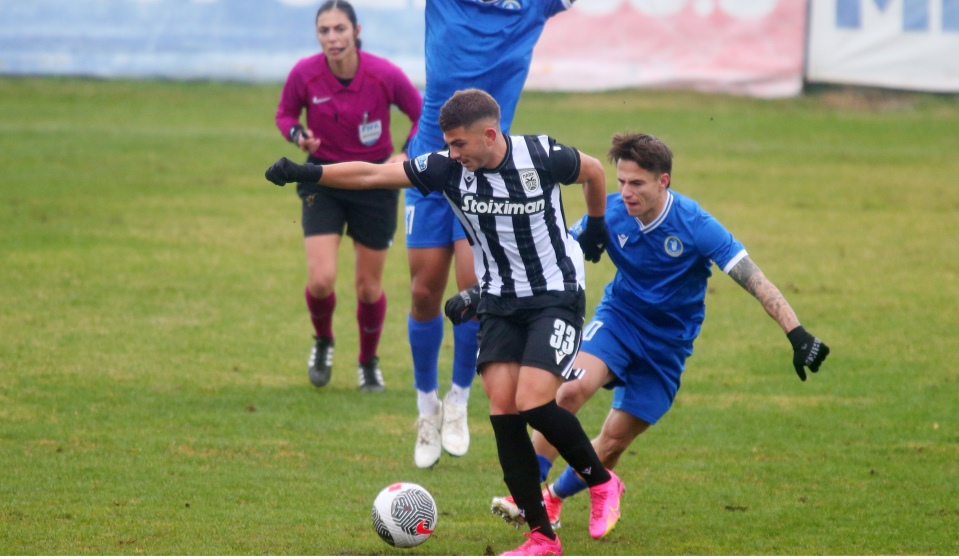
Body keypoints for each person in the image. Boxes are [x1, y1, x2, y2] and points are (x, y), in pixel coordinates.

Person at [265, 88, 625, 556]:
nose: (452, 154)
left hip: (555, 295)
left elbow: (594, 171)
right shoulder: (448, 168)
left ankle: (602, 482)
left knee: (533, 402)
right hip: (498, 300)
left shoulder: (541, 155)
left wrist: (595, 225)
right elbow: (375, 174)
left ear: (489, 135)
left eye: (459, 144)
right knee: (503, 413)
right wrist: (309, 172)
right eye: (448, 144)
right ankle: (541, 537)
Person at [481, 132, 832, 532]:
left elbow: (753, 279)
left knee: (614, 441)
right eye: (620, 181)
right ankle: (526, 489)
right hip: (619, 319)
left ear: (663, 181)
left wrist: (796, 333)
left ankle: (555, 497)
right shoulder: (609, 212)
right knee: (570, 391)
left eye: (637, 183)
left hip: (668, 345)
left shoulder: (696, 225)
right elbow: (553, 255)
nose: (625, 192)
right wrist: (486, 292)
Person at [403, 0, 580, 470]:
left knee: (474, 291)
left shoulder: (532, 5)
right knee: (423, 290)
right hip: (431, 163)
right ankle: (427, 407)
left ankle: (459, 400)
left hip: (484, 171)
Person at [273, 0, 422, 392]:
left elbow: (423, 113)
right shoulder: (304, 73)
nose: (332, 38)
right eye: (324, 30)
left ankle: (368, 362)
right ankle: (323, 341)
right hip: (322, 180)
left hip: (374, 182)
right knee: (321, 280)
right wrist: (297, 135)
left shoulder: (383, 74)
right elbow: (285, 115)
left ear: (356, 31)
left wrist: (405, 152)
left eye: (340, 29)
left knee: (368, 287)